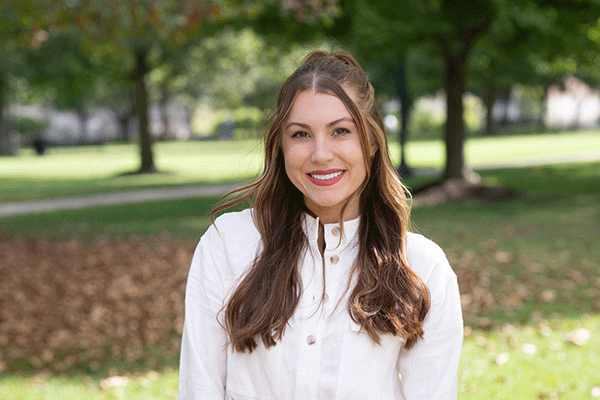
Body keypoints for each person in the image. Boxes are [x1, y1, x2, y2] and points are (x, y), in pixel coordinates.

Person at [179, 51, 463, 400]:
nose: (321, 154)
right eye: (301, 135)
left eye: (340, 131)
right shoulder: (228, 245)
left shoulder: (423, 268)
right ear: (281, 146)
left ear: (372, 142)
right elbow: (200, 388)